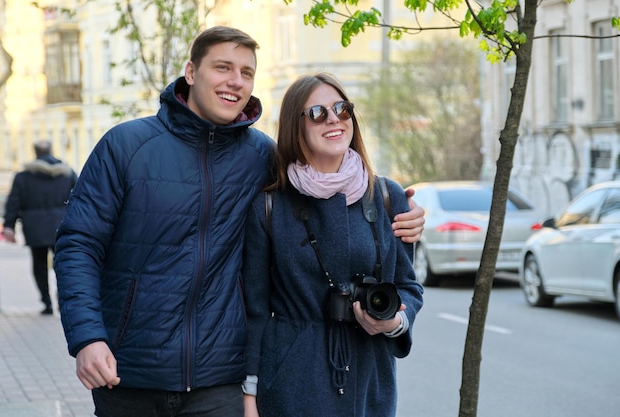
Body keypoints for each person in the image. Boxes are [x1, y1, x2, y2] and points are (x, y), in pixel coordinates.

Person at [54, 26, 425, 417]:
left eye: (247, 72)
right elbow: (78, 244)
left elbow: (329, 180)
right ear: (191, 72)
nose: (236, 81)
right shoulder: (126, 145)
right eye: (223, 67)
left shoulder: (263, 157)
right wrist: (88, 338)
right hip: (129, 372)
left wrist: (400, 215)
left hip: (220, 381)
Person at [241, 73, 424, 417]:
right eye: (317, 113)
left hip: (370, 381)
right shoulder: (270, 207)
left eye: (342, 109)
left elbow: (408, 288)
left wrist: (395, 323)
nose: (333, 119)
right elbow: (256, 310)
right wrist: (250, 395)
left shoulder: (387, 197)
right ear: (296, 127)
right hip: (291, 384)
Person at [3, 140, 77, 315]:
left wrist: (9, 226)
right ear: (52, 150)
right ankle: (63, 300)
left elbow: (13, 202)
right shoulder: (67, 173)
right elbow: (81, 197)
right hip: (62, 225)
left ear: (35, 152)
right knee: (64, 265)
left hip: (34, 227)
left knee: (39, 266)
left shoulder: (23, 176)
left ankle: (47, 303)